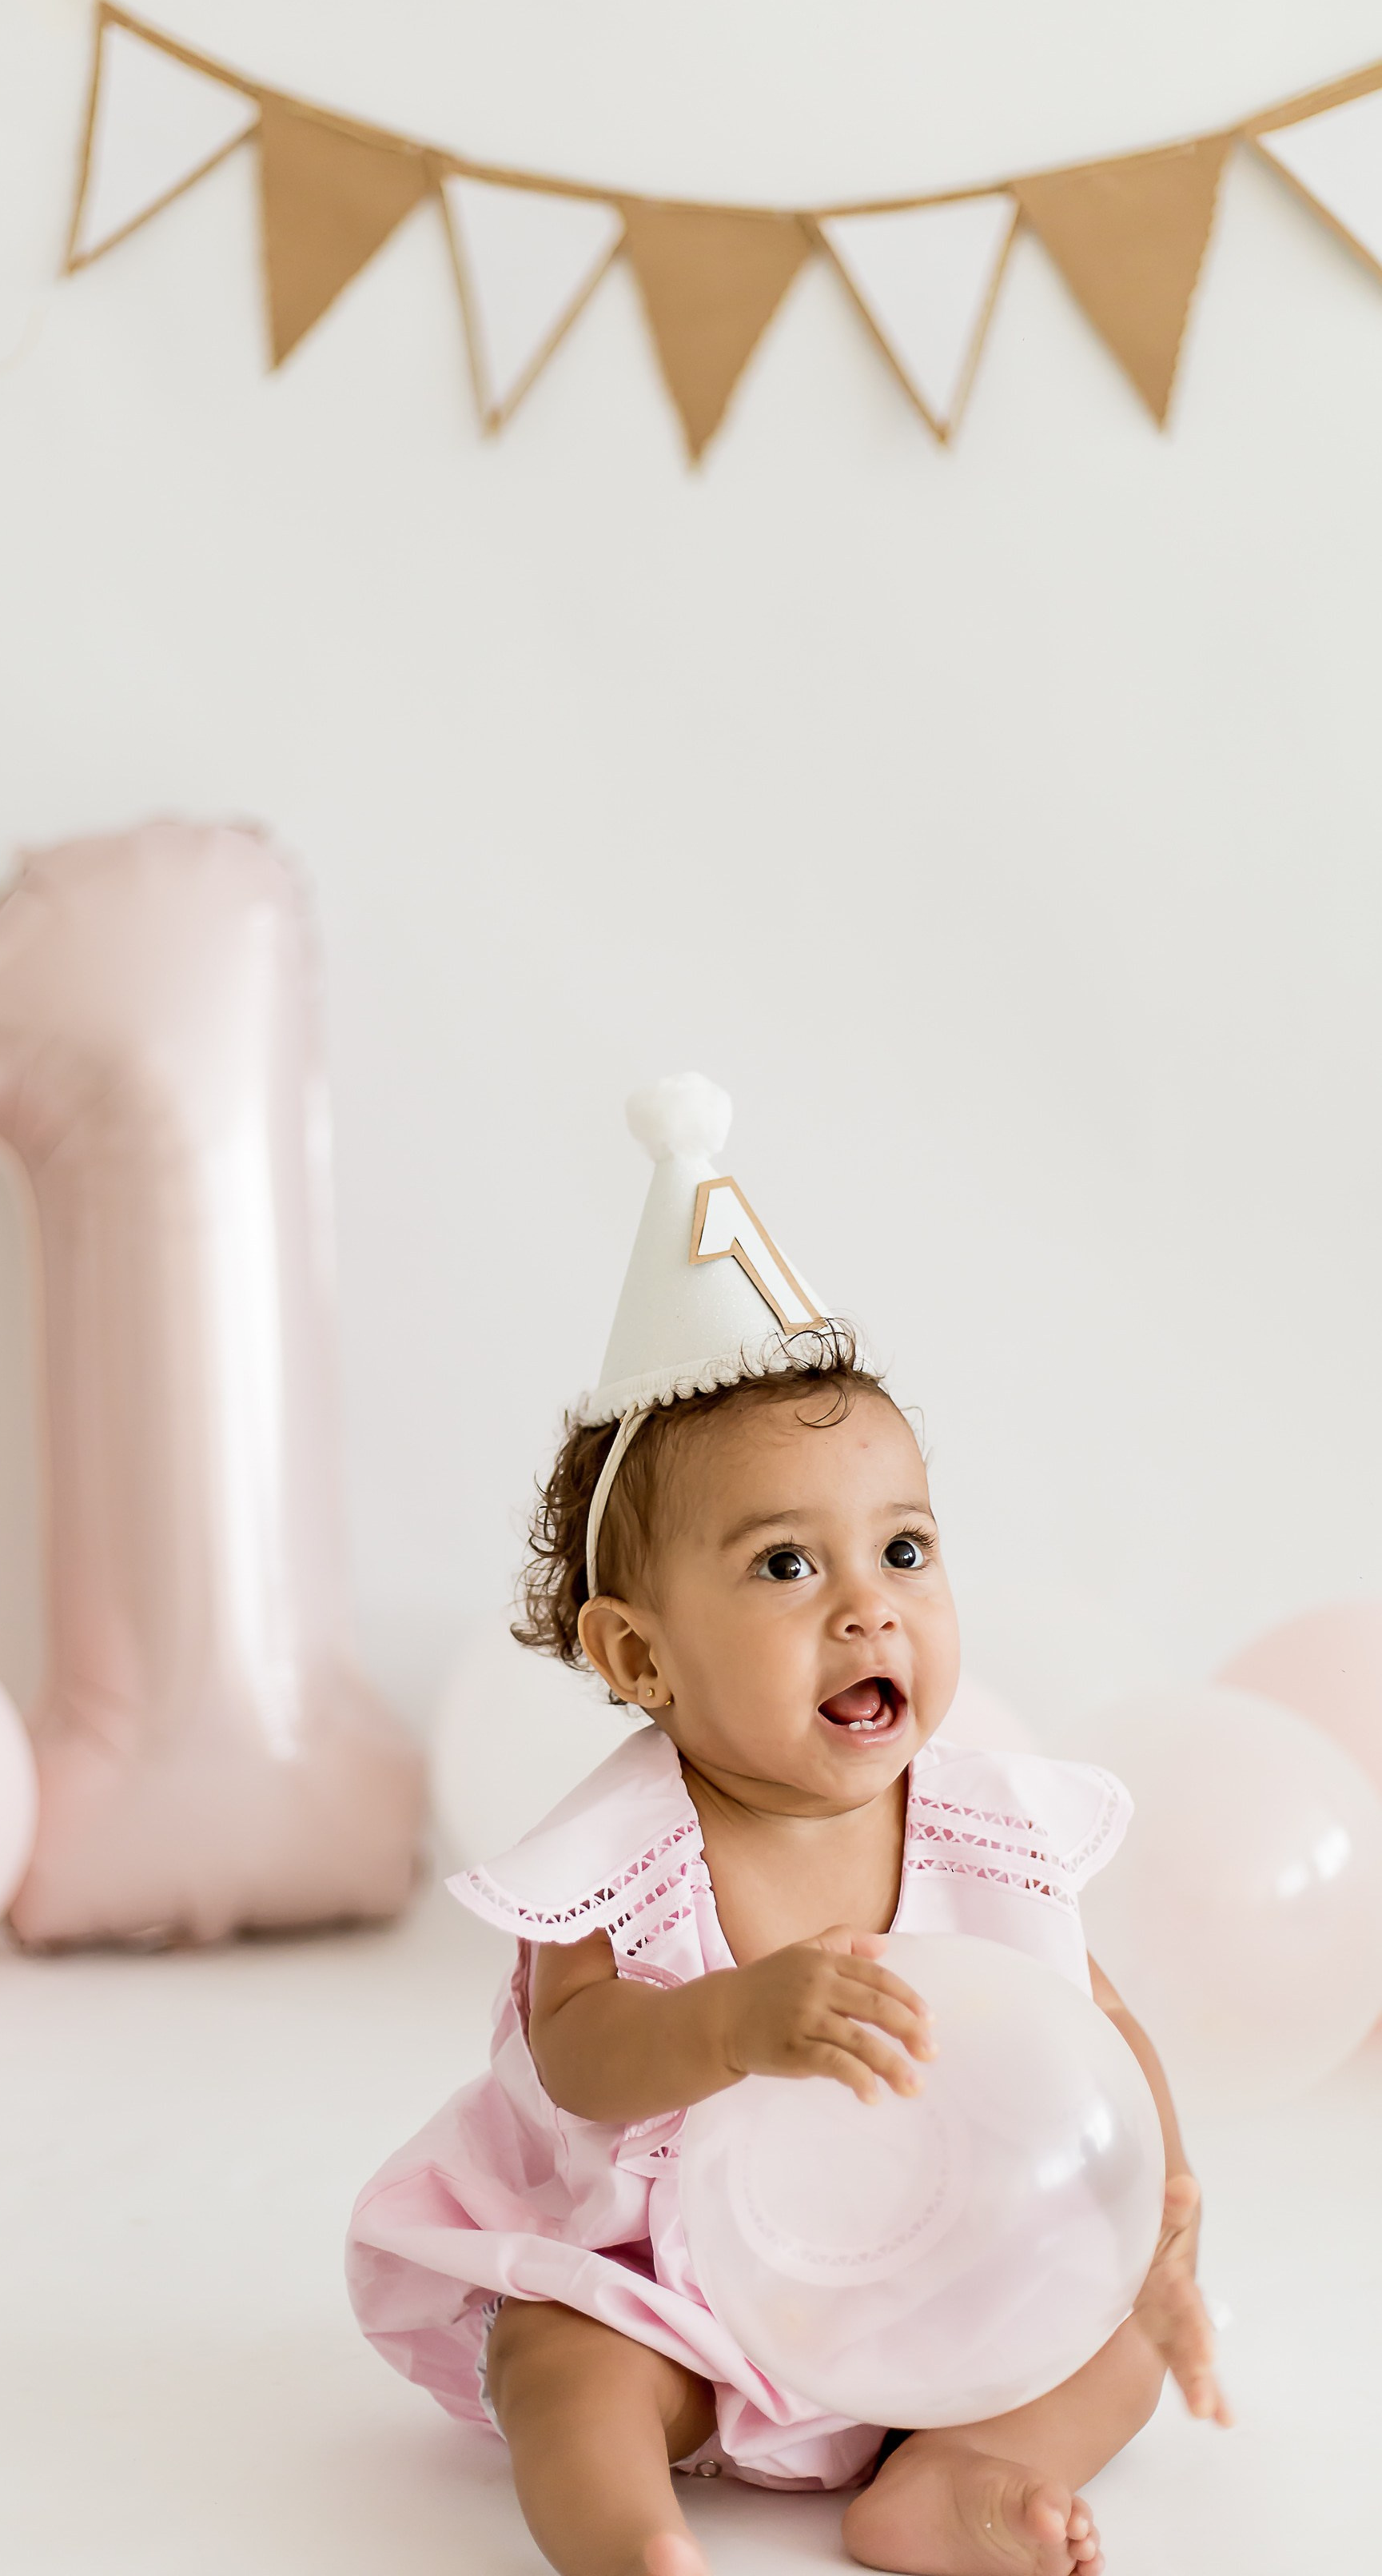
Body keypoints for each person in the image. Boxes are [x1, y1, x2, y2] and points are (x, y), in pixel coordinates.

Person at [347, 1075, 1227, 2576]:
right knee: (561, 2363)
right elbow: (576, 2053)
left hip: (945, 2265)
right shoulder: (630, 1849)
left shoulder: (987, 1825)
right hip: (679, 2285)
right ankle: (634, 2537)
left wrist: (1164, 2196)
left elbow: (1093, 2010)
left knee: (1115, 2355)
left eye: (901, 1548)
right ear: (638, 1659)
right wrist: (734, 2024)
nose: (868, 1603)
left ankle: (956, 2476)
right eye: (782, 1569)